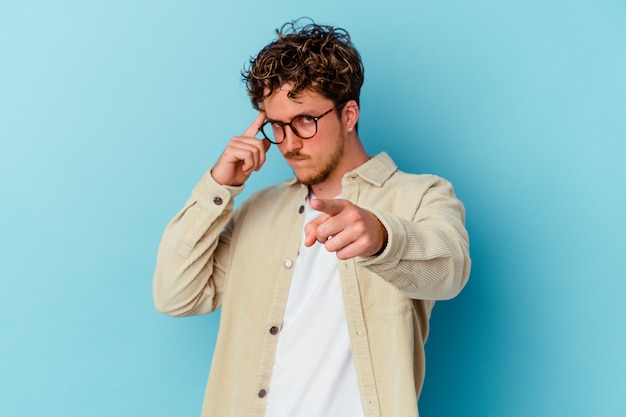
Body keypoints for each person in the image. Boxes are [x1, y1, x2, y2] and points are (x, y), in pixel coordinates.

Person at [153, 19, 471, 417]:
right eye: (276, 126)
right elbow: (176, 294)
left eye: (305, 120)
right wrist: (219, 187)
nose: (288, 143)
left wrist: (382, 238)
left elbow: (450, 271)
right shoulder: (258, 209)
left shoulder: (421, 194)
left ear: (349, 114)